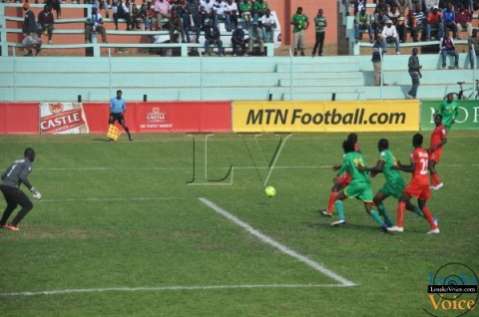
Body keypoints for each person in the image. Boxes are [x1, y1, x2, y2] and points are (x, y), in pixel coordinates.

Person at [330, 138, 390, 233]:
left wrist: (337, 175)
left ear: (345, 149)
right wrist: (339, 166)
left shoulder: (347, 156)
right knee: (369, 209)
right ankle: (383, 225)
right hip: (366, 184)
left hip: (357, 183)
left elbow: (346, 166)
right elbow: (352, 165)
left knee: (338, 198)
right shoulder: (359, 155)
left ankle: (342, 219)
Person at [388, 133, 440, 234]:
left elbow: (412, 169)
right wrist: (401, 165)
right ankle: (434, 227)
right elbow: (420, 166)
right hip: (426, 180)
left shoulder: (414, 153)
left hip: (418, 180)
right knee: (422, 204)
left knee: (402, 199)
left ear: (414, 141)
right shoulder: (425, 152)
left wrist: (399, 167)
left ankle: (399, 225)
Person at [368, 139, 425, 228]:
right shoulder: (389, 153)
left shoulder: (383, 154)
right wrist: (374, 171)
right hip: (392, 182)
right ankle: (387, 221)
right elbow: (383, 168)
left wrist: (368, 169)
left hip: (394, 183)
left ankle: (428, 218)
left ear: (379, 147)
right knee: (377, 199)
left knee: (407, 204)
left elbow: (379, 168)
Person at [0, 148, 41, 232]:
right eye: (34, 155)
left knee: (12, 205)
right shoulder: (28, 164)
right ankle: (13, 224)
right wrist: (32, 190)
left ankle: (2, 223)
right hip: (11, 188)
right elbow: (22, 177)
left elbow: (3, 175)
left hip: (3, 186)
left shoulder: (16, 161)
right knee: (28, 205)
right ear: (31, 156)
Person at [320, 133, 360, 217]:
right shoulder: (357, 148)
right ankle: (329, 210)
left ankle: (329, 211)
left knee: (335, 188)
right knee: (358, 194)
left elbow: (348, 164)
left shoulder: (350, 149)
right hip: (355, 175)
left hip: (349, 174)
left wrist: (338, 171)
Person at [429, 114, 447, 190]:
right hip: (433, 150)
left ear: (441, 120)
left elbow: (445, 140)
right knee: (430, 166)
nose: (436, 120)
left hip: (436, 151)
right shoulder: (437, 128)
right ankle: (433, 184)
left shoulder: (441, 128)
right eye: (435, 119)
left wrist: (436, 146)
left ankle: (439, 183)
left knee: (430, 166)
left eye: (438, 119)